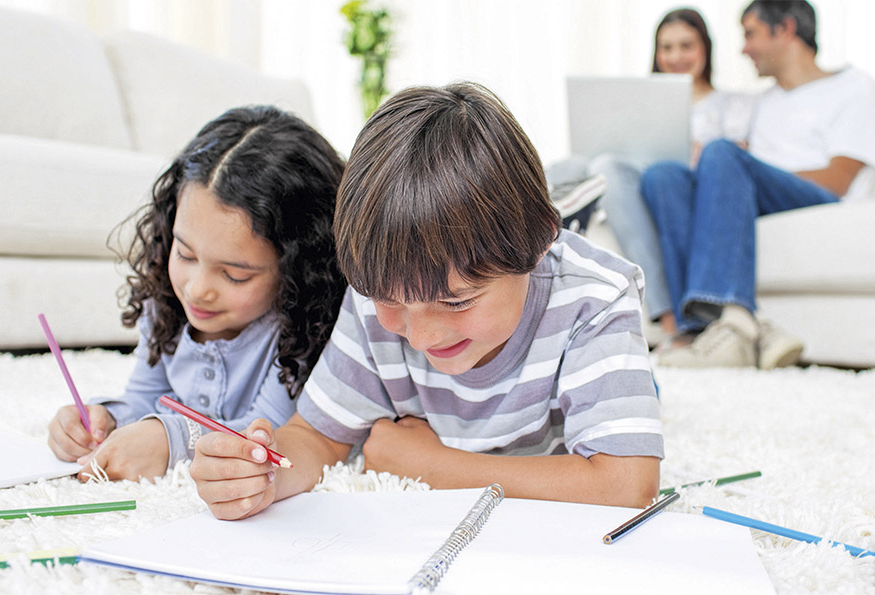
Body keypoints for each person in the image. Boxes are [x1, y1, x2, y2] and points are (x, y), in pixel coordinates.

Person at [189, 83, 664, 521]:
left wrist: (432, 466)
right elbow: (317, 436)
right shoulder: (376, 291)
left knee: (636, 406)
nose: (421, 335)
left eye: (456, 301)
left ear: (542, 239)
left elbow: (626, 484)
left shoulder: (596, 299)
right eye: (390, 301)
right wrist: (265, 473)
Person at [46, 106, 349, 482]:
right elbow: (145, 397)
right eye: (185, 254)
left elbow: (273, 431)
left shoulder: (304, 327)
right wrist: (104, 419)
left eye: (235, 275)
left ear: (299, 267)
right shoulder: (167, 305)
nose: (197, 289)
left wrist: (170, 440)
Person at [640, 0, 875, 370]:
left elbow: (838, 180)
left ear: (784, 29)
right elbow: (736, 169)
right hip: (761, 194)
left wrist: (742, 169)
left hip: (817, 198)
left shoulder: (852, 86)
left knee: (722, 154)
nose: (743, 49)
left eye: (750, 34)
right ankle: (701, 330)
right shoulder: (763, 103)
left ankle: (734, 317)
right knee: (664, 175)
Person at [548, 7, 753, 347]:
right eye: (667, 47)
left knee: (607, 168)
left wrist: (699, 150)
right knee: (570, 165)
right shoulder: (641, 100)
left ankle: (666, 313)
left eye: (686, 45)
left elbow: (734, 163)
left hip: (677, 185)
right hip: (632, 177)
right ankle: (547, 210)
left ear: (706, 48)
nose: (676, 56)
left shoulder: (730, 105)